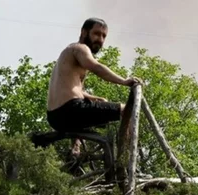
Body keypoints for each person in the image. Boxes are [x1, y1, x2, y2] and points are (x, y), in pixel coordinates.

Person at [46, 17, 142, 156]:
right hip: (70, 110)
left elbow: (74, 90)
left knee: (94, 105)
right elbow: (96, 67)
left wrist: (94, 98)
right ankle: (127, 157)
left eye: (104, 36)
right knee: (125, 110)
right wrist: (124, 81)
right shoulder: (80, 48)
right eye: (96, 34)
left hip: (55, 117)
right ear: (84, 32)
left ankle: (75, 150)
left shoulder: (67, 54)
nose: (100, 40)